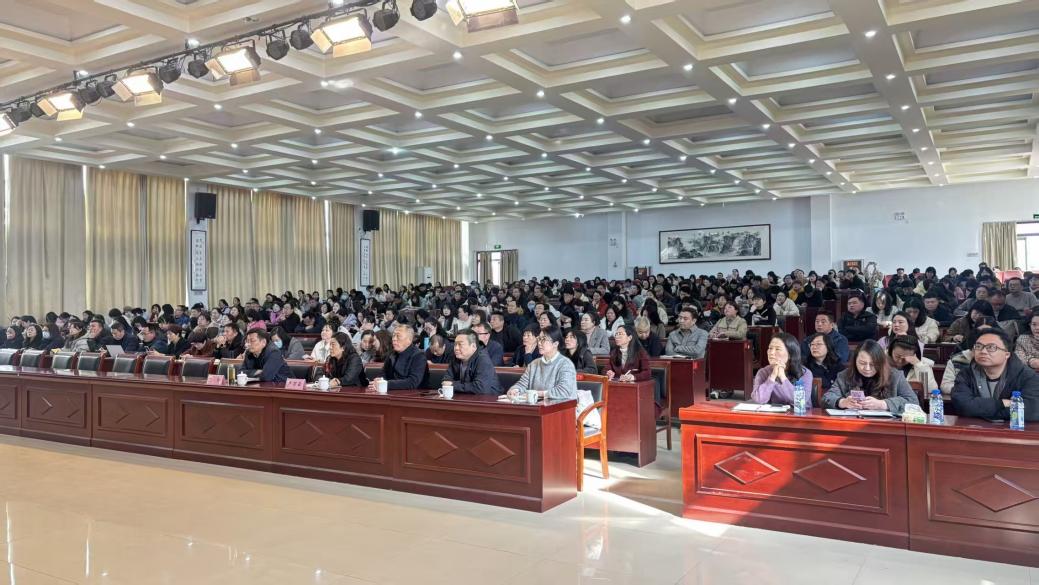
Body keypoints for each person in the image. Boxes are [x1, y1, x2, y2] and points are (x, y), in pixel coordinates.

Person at [951, 328, 1039, 421]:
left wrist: (981, 410)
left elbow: (1032, 410)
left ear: (1007, 354)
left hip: (1012, 428)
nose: (983, 351)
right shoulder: (965, 374)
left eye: (991, 347)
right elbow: (963, 406)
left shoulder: (1027, 376)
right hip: (975, 428)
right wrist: (1002, 404)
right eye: (978, 346)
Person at [823, 340, 919, 414]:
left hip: (887, 427)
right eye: (862, 363)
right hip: (853, 423)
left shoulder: (895, 376)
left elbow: (913, 402)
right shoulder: (845, 375)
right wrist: (842, 402)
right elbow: (826, 398)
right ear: (855, 361)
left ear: (881, 362)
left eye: (873, 364)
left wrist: (883, 404)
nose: (867, 368)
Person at [506, 327, 577, 401]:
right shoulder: (534, 364)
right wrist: (515, 390)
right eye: (539, 339)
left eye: (543, 339)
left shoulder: (565, 364)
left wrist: (537, 393)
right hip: (539, 405)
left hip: (563, 406)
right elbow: (522, 384)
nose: (539, 343)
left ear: (555, 344)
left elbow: (564, 391)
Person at [750, 333, 813, 407]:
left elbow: (800, 400)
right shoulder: (763, 372)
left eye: (778, 349)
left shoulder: (805, 373)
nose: (771, 353)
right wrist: (772, 377)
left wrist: (782, 377)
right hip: (775, 413)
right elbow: (759, 399)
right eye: (770, 348)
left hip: (801, 413)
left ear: (790, 354)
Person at [442, 329, 501, 395]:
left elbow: (480, 388)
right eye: (455, 344)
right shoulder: (456, 357)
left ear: (473, 346)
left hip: (489, 398)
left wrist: (453, 385)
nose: (456, 348)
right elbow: (446, 380)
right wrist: (450, 384)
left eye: (460, 344)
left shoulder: (483, 360)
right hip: (464, 397)